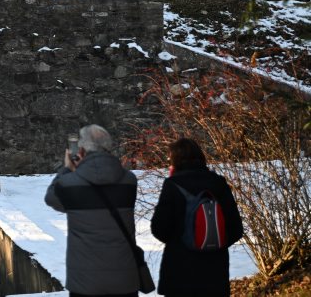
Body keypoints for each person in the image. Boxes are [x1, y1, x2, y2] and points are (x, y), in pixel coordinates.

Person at [45, 124, 139, 297]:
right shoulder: (129, 181)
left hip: (85, 282)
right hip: (125, 280)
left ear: (81, 151)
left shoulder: (71, 183)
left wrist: (67, 168)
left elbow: (52, 198)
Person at [150, 137, 244, 297]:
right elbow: (236, 230)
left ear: (175, 160)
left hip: (180, 274)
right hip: (215, 274)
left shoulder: (172, 185)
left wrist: (181, 242)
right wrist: (212, 242)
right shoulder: (218, 183)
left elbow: (159, 229)